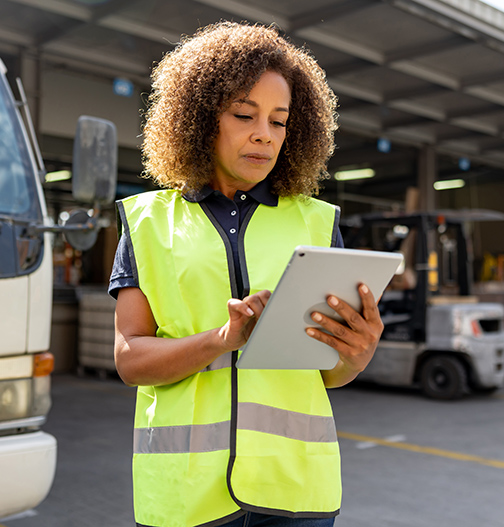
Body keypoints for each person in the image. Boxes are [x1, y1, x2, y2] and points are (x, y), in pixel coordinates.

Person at [109, 21, 383, 527]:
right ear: (199, 119)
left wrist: (356, 355)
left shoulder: (317, 223)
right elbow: (130, 360)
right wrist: (222, 339)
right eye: (243, 114)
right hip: (187, 495)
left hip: (295, 490)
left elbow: (330, 374)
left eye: (279, 122)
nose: (264, 133)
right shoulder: (147, 223)